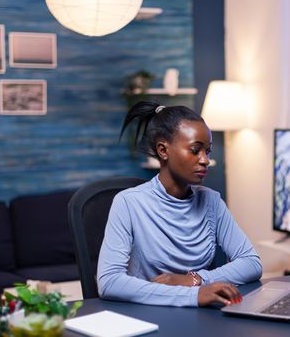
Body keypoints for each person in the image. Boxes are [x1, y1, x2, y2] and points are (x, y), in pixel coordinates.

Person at [97, 100, 262, 307]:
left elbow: (251, 263)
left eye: (208, 151)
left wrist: (196, 280)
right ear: (163, 151)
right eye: (195, 150)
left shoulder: (211, 201)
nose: (205, 160)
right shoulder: (128, 203)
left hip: (202, 318)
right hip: (146, 314)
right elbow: (109, 281)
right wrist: (194, 296)